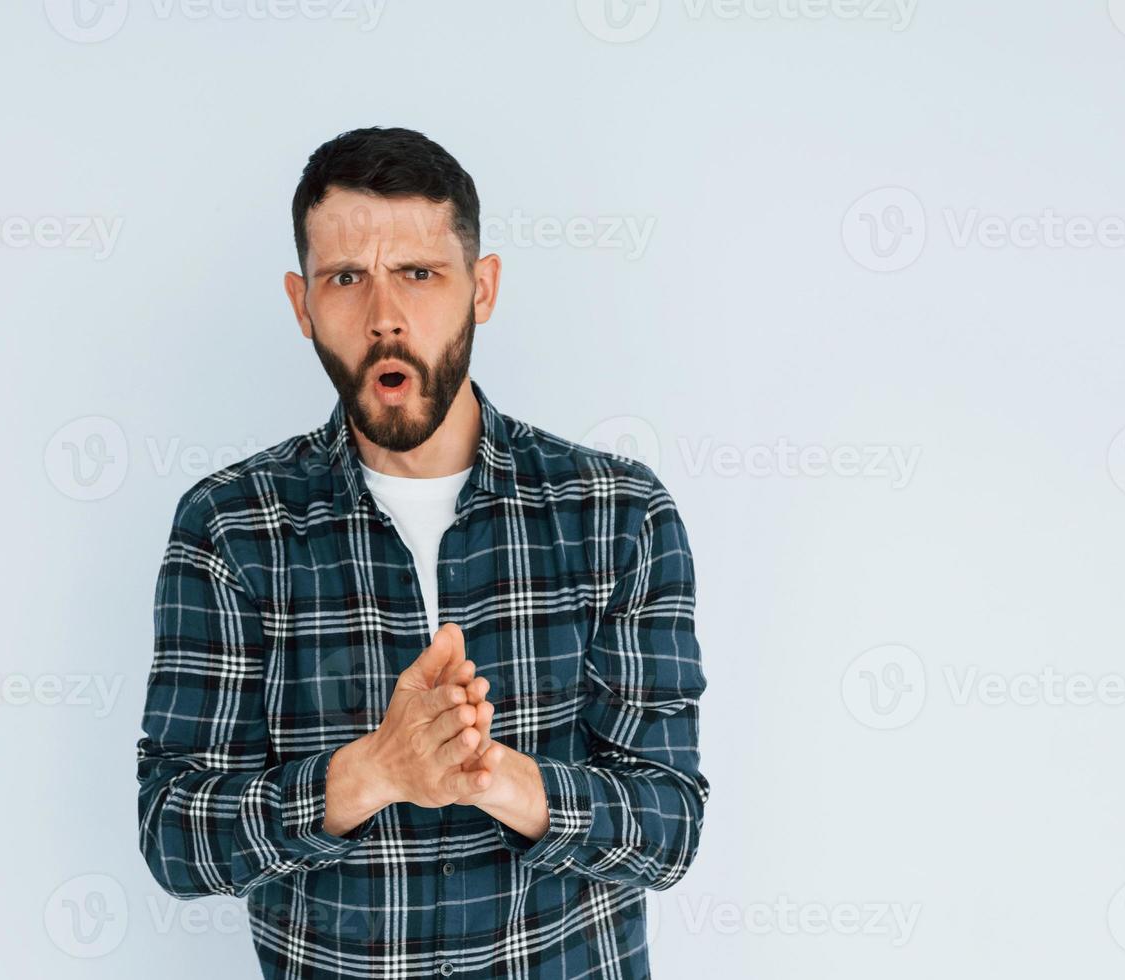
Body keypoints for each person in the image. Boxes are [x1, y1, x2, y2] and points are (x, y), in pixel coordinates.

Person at [137, 126, 709, 978]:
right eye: (345, 279)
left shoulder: (617, 514)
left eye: (418, 273)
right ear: (302, 304)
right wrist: (372, 771)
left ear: (481, 289)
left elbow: (668, 828)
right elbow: (173, 834)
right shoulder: (230, 528)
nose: (384, 317)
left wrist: (496, 779)